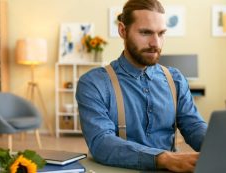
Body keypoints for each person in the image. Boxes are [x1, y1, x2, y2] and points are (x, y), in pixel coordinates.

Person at [76, 0, 207, 172]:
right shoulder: (93, 83)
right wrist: (164, 158)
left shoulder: (176, 79)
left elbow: (194, 126)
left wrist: (219, 146)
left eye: (161, 34)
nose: (156, 43)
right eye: (146, 33)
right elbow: (101, 143)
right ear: (123, 30)